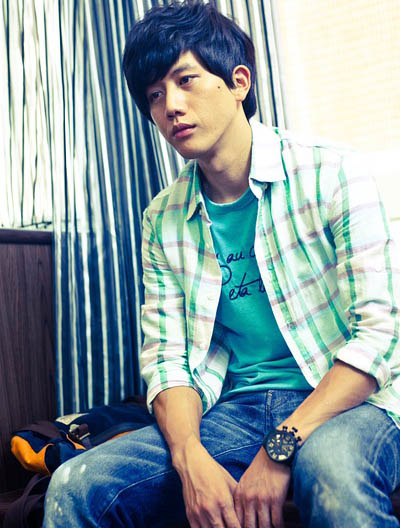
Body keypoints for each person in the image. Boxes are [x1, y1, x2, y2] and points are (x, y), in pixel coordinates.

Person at [43, 1, 400, 527]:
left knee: (330, 468)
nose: (171, 106)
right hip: (236, 410)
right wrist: (190, 460)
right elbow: (168, 359)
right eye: (154, 95)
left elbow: (380, 335)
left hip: (350, 402)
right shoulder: (162, 218)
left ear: (238, 82)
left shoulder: (333, 172)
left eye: (185, 80)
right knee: (75, 485)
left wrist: (279, 448)